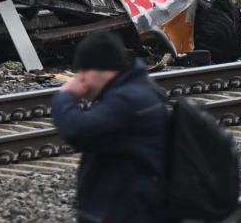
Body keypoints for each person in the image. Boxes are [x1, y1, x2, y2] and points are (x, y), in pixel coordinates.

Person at [51, 30, 171, 223]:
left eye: (83, 71)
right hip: (130, 205)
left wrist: (65, 97)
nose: (80, 78)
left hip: (130, 211)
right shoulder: (137, 90)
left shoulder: (127, 101)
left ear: (100, 69)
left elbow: (77, 130)